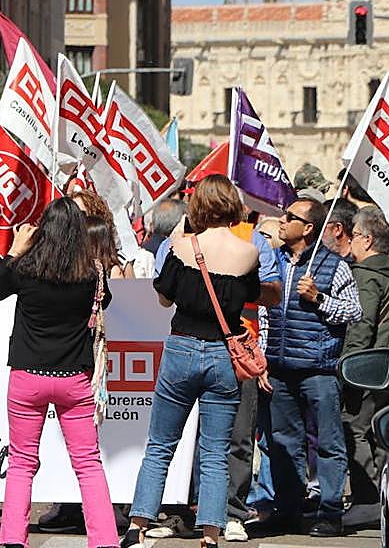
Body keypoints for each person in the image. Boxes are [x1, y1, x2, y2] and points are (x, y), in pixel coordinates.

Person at [123, 175, 265, 548]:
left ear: (198, 206)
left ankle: (138, 526)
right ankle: (211, 533)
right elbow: (250, 299)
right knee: (215, 451)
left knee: (160, 445)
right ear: (233, 206)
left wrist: (180, 242)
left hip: (182, 347)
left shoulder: (182, 247)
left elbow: (164, 299)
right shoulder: (247, 252)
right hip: (222, 353)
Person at [0, 199, 116, 548]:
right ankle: (105, 540)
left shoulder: (25, 269)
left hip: (28, 377)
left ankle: (13, 538)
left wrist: (14, 251)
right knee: (88, 464)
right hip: (74, 379)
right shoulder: (91, 275)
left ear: (43, 229)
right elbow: (105, 302)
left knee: (21, 464)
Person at [262, 197, 361, 538]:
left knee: (329, 442)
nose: (281, 220)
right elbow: (263, 314)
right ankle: (288, 508)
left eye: (289, 216)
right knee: (283, 441)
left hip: (319, 368)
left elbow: (353, 312)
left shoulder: (335, 266)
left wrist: (319, 298)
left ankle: (330, 511)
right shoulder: (271, 262)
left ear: (307, 228)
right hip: (279, 366)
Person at [342, 206, 389, 506]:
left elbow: (362, 324)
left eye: (355, 235)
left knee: (354, 429)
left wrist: (347, 365)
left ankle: (368, 499)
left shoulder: (365, 276)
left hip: (369, 369)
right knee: (384, 433)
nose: (351, 241)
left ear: (368, 240)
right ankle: (385, 498)